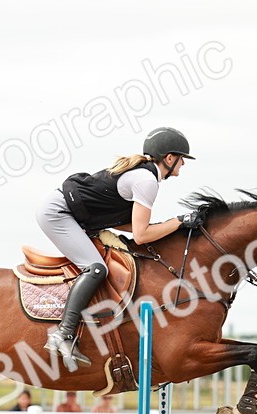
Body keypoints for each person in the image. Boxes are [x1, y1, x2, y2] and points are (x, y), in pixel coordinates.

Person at [36, 126, 202, 368]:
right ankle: (63, 333)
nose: (183, 164)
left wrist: (175, 226)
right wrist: (179, 221)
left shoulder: (144, 176)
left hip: (68, 213)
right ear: (169, 158)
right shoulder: (147, 181)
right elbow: (142, 235)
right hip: (57, 213)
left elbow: (132, 226)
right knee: (96, 268)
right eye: (181, 158)